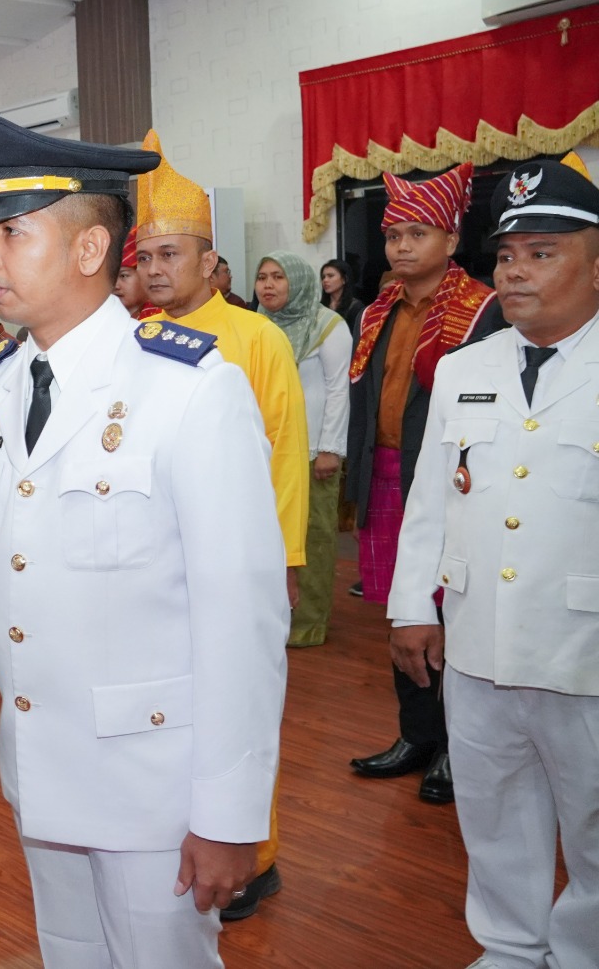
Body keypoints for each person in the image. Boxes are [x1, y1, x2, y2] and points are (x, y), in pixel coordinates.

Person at [0, 111, 287, 969]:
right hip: (41, 771)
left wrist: (230, 811)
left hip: (155, 785)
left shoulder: (191, 390)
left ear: (90, 249)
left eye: (10, 234)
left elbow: (241, 618)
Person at [387, 152, 599, 969]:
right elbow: (432, 496)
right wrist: (411, 605)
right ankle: (511, 947)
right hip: (477, 639)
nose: (515, 273)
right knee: (493, 806)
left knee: (590, 817)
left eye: (541, 254)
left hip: (582, 644)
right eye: (508, 255)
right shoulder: (467, 367)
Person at [135, 128, 308, 917]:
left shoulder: (257, 339)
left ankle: (257, 854)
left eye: (172, 255)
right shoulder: (130, 341)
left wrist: (286, 561)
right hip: (154, 566)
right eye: (145, 257)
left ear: (211, 261)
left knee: (240, 705)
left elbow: (286, 457)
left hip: (240, 563)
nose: (155, 271)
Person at [346, 163, 500, 806]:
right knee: (404, 610)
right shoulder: (378, 309)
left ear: (450, 237)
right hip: (386, 475)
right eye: (392, 236)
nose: (401, 247)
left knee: (452, 616)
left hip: (448, 485)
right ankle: (416, 733)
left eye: (416, 233)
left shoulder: (484, 310)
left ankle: (453, 748)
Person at [256, 251, 351, 647]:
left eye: (279, 277)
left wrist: (330, 448)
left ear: (297, 281)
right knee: (265, 538)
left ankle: (308, 622)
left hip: (312, 453)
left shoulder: (328, 326)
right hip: (264, 453)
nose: (268, 285)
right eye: (262, 277)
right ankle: (267, 618)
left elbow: (337, 389)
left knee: (311, 538)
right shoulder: (256, 325)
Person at [321, 258, 364, 335]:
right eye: (323, 277)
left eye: (330, 276)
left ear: (344, 279)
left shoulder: (355, 307)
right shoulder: (320, 307)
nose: (325, 280)